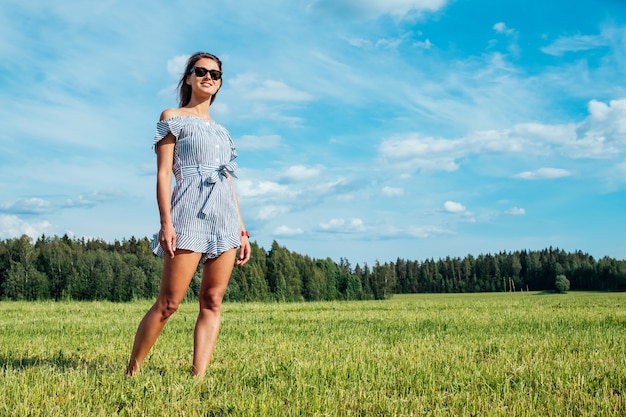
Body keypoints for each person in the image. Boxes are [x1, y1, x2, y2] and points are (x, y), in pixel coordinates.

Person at [126, 52, 251, 378]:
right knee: (168, 303)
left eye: (215, 73)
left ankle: (198, 379)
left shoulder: (223, 131)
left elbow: (227, 179)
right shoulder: (173, 116)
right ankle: (132, 372)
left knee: (212, 300)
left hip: (224, 217)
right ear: (189, 77)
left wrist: (242, 229)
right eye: (201, 71)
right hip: (188, 214)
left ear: (220, 83)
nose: (208, 76)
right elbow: (164, 174)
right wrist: (165, 222)